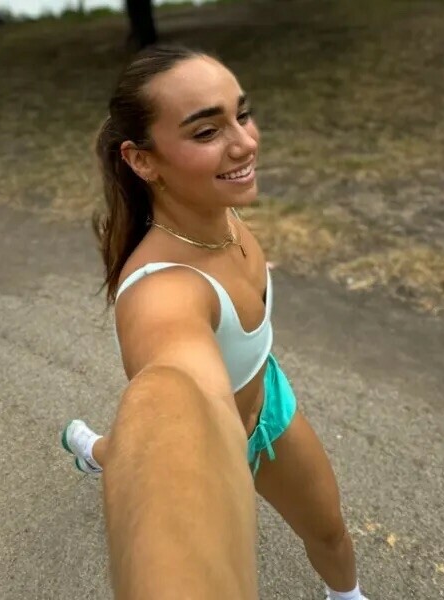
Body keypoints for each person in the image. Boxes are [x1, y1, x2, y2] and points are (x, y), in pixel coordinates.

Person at [62, 44, 369, 600]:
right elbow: (176, 394)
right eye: (207, 131)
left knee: (329, 531)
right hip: (214, 438)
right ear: (143, 161)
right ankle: (103, 451)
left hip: (268, 408)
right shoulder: (162, 295)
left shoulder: (218, 211)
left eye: (241, 114)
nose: (246, 143)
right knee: (134, 453)